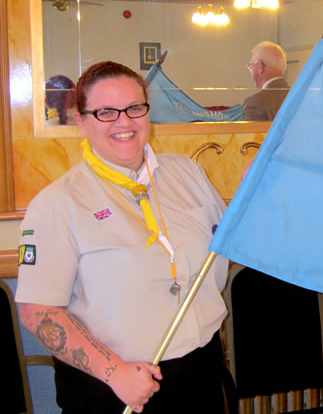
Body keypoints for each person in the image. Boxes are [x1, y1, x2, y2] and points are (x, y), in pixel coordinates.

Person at [16, 61, 229, 413]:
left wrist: (263, 193)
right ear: (81, 121)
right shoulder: (57, 203)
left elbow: (232, 243)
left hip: (199, 371)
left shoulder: (188, 174)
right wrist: (114, 373)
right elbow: (38, 311)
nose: (124, 122)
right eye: (105, 112)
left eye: (134, 108)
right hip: (111, 387)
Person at [242, 41, 290, 121]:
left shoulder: (255, 103)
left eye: (251, 65)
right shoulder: (300, 96)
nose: (250, 71)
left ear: (260, 67)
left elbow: (256, 133)